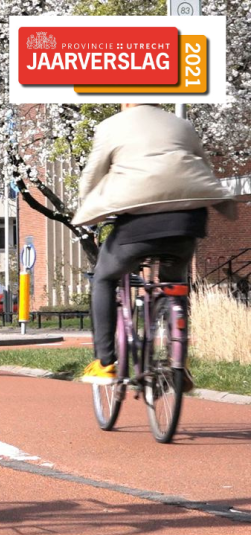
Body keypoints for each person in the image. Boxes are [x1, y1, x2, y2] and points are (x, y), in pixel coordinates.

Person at [73, 103, 235, 388]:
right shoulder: (182, 125)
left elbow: (91, 176)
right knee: (176, 284)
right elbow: (203, 169)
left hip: (139, 221)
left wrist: (85, 212)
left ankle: (105, 362)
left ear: (126, 101)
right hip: (187, 221)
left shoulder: (111, 126)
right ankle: (178, 362)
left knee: (104, 277)